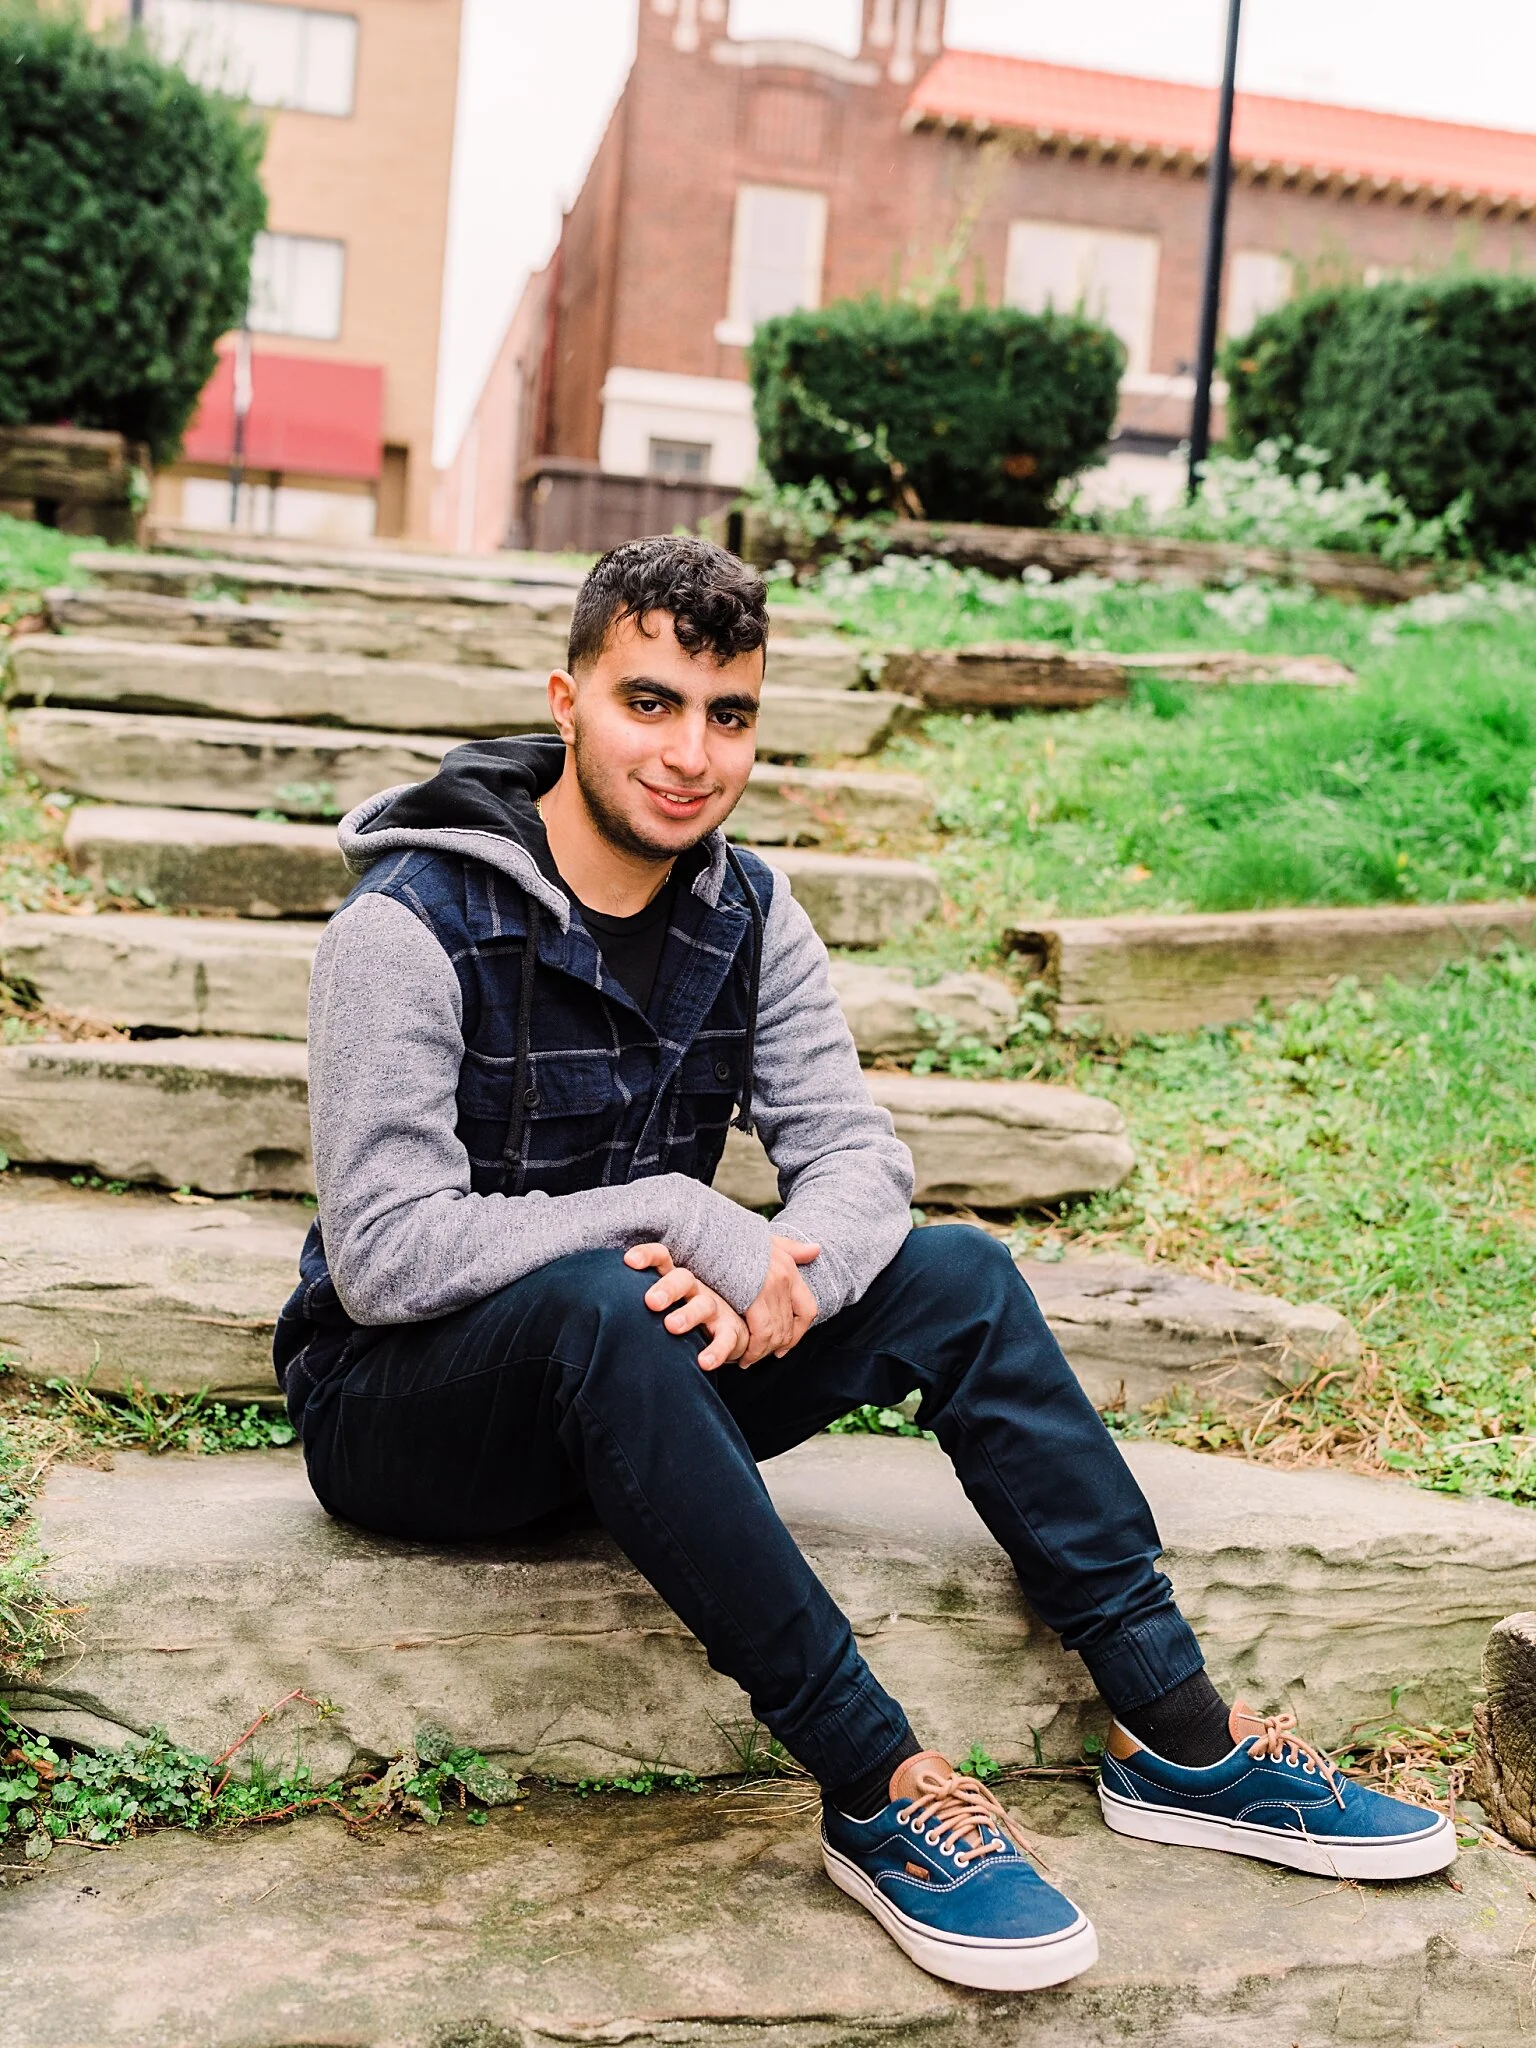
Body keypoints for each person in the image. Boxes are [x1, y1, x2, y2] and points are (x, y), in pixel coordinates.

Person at [276, 535, 1454, 1993]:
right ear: (566, 700)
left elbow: (854, 1156)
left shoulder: (745, 914)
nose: (691, 754)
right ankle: (879, 1785)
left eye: (729, 715)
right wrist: (680, 1218)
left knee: (957, 1276)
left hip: (649, 1380)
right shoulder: (407, 922)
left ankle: (1179, 1736)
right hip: (403, 1407)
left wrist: (793, 1283)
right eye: (650, 703)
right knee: (601, 1304)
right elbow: (384, 1252)